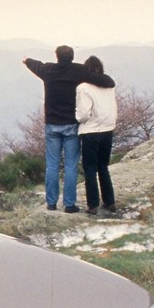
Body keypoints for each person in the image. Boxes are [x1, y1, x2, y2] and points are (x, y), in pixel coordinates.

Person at [23, 46, 115, 213]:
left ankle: (51, 203)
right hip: (72, 124)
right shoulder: (79, 71)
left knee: (52, 165)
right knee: (71, 166)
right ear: (72, 57)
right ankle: (69, 204)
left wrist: (26, 60)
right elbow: (107, 81)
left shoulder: (48, 70)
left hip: (52, 124)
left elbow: (36, 65)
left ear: (56, 56)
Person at [76, 55, 118, 215]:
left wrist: (77, 118)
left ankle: (92, 205)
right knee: (103, 167)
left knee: (90, 169)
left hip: (91, 131)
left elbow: (84, 113)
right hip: (108, 129)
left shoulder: (83, 88)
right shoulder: (109, 85)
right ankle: (110, 202)